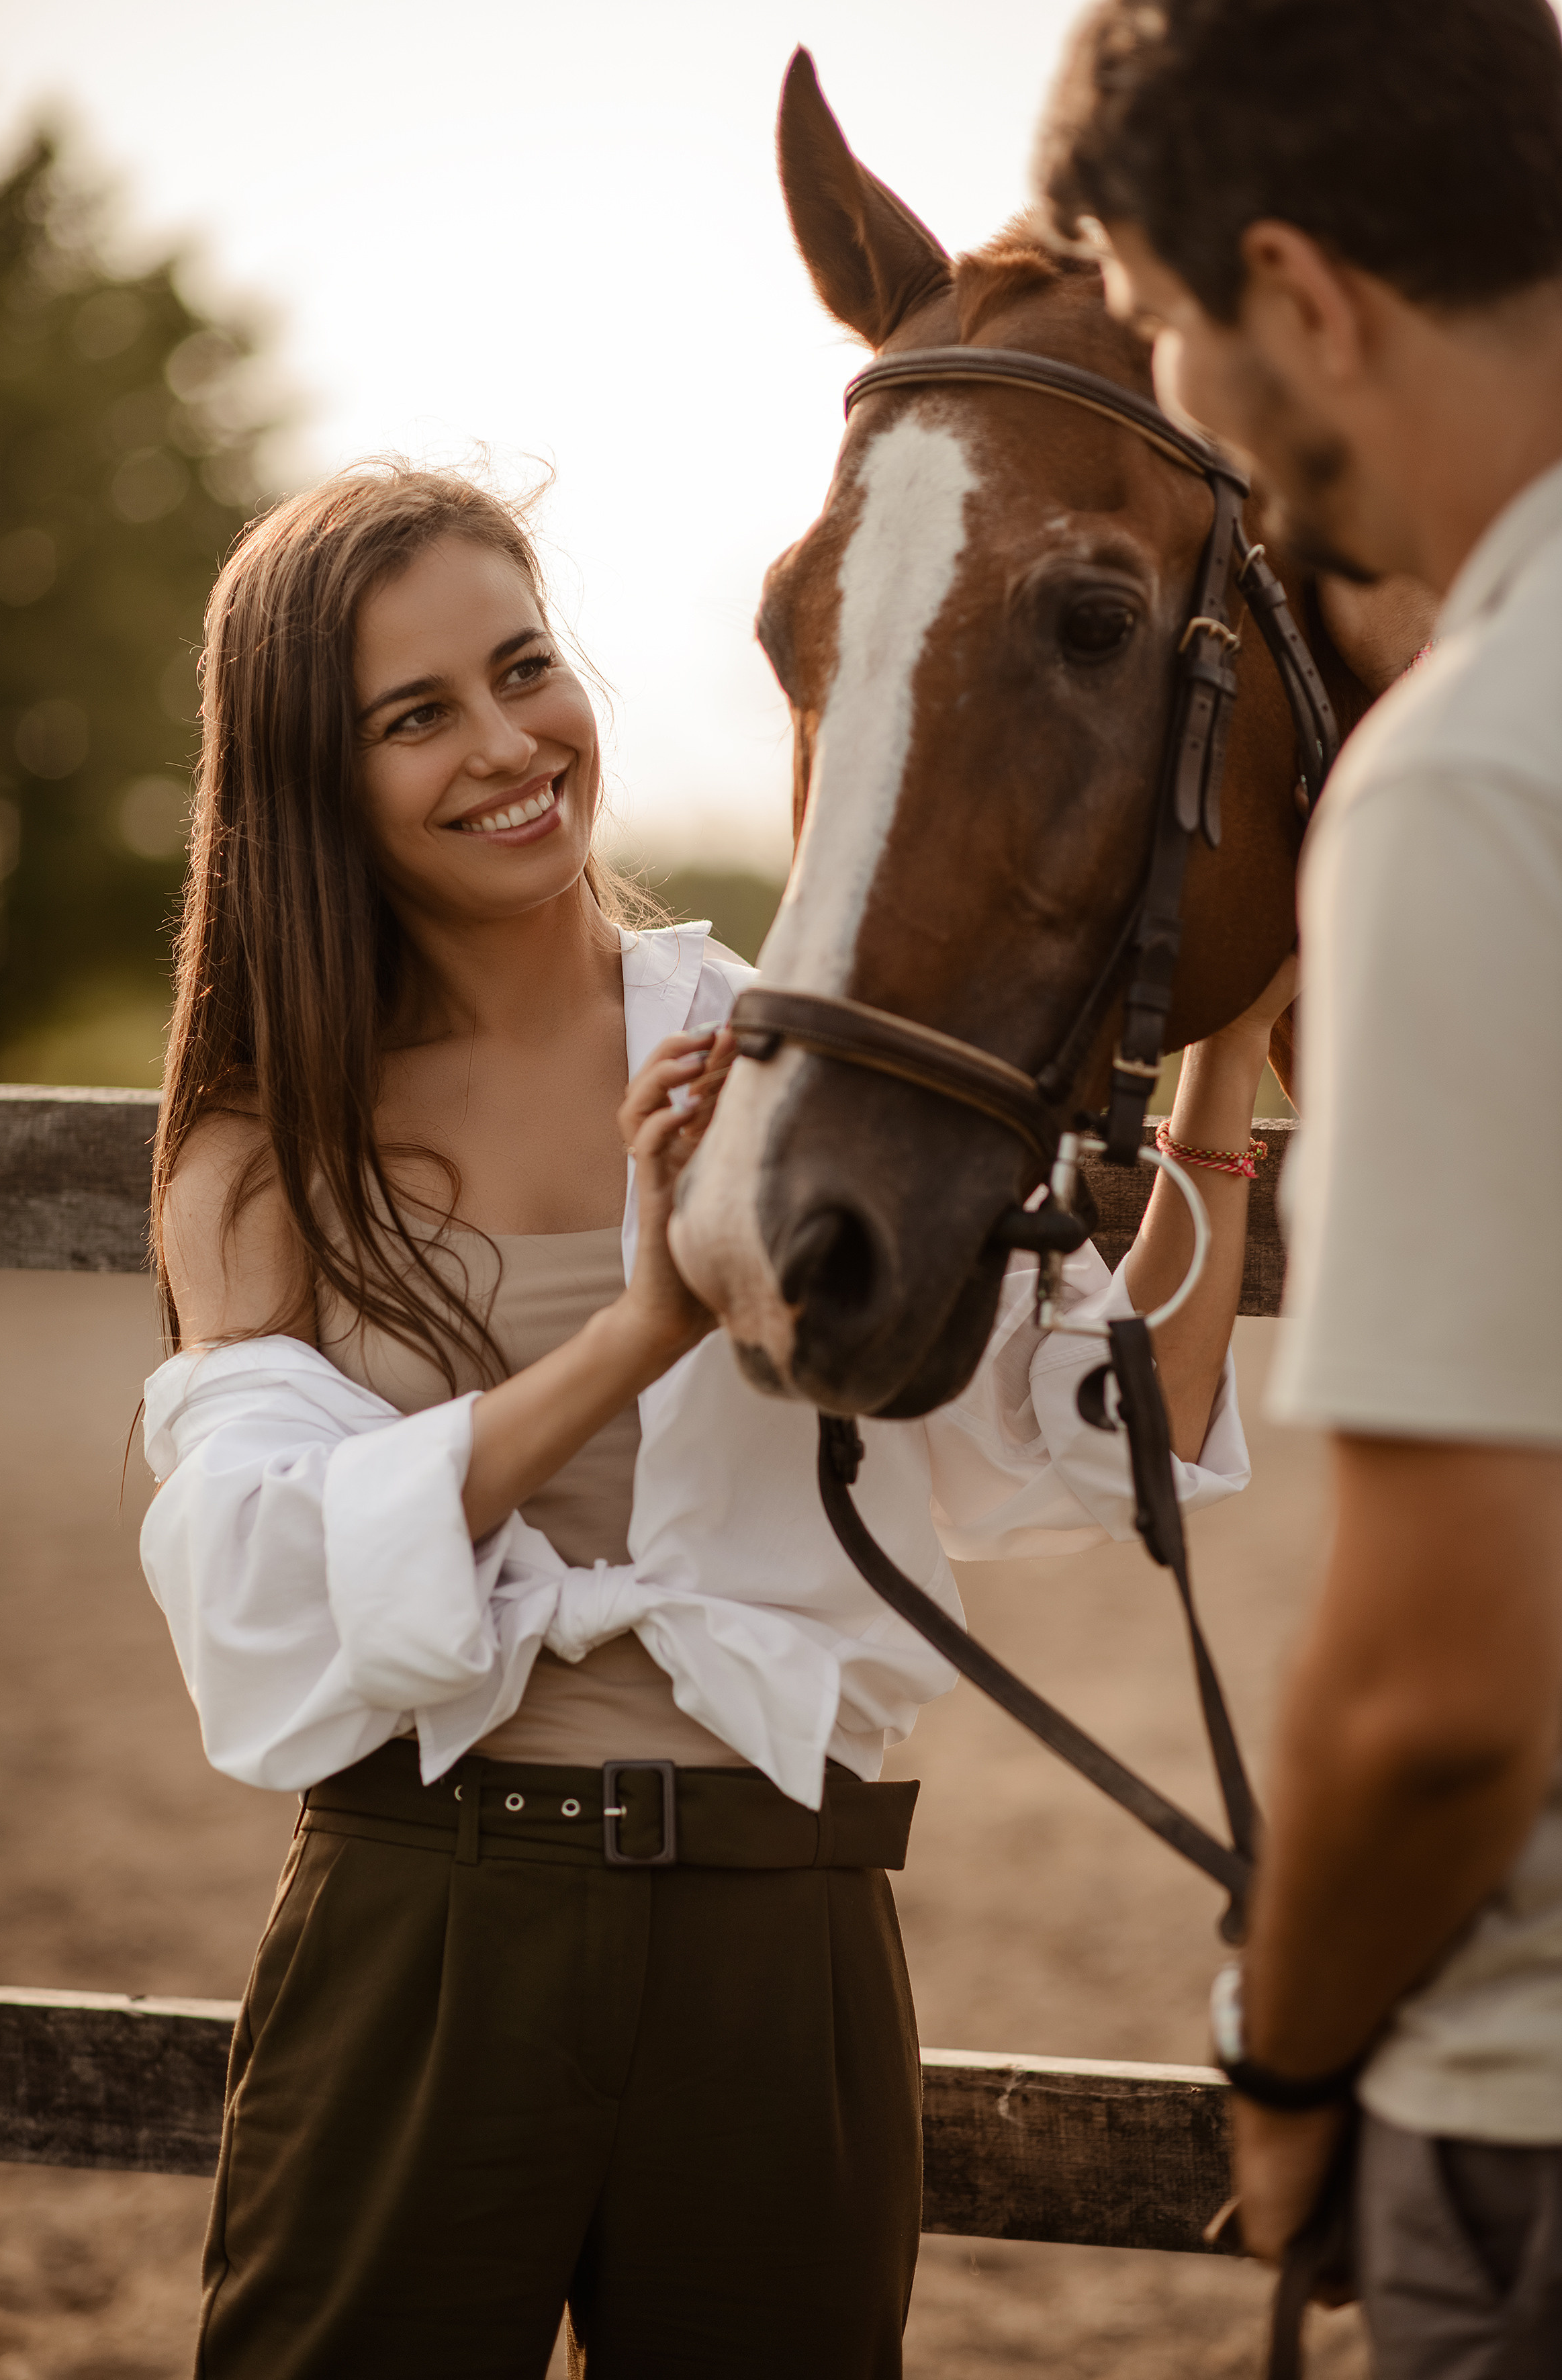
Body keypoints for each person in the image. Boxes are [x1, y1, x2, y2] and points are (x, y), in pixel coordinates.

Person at [143, 461, 1279, 2378]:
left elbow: (1123, 1429)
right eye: (414, 717)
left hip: (784, 1923)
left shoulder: (782, 1070)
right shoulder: (272, 1145)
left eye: (523, 669)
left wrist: (1219, 1076)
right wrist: (649, 1323)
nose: (506, 744)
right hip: (427, 1926)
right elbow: (257, 1580)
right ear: (312, 782)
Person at [1038, 1, 1562, 2368]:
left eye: (1165, 333)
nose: (1195, 418)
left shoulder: (1473, 775)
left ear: (1305, 294)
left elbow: (1445, 1682)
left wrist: (1286, 2045)